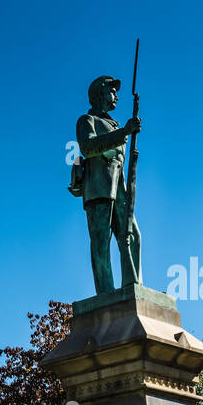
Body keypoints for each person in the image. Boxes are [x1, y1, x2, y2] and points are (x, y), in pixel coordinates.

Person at [77, 75, 142, 294]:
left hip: (120, 187)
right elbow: (87, 148)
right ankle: (105, 293)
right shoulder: (87, 120)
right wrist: (123, 132)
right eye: (112, 91)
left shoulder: (112, 124)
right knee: (101, 242)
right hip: (98, 188)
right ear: (99, 93)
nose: (116, 96)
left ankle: (133, 285)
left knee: (132, 234)